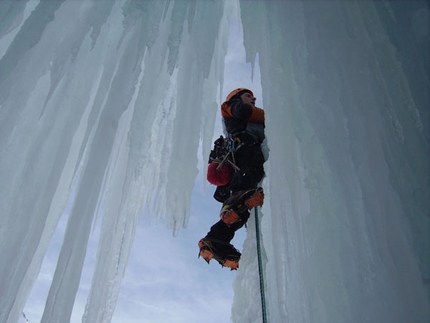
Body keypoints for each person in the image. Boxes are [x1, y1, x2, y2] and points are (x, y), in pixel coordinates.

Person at [198, 88, 266, 270]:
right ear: (236, 98)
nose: (253, 99)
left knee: (243, 206)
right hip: (245, 148)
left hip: (243, 152)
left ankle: (217, 239)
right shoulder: (230, 106)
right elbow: (243, 112)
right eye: (248, 96)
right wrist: (271, 117)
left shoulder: (241, 111)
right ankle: (233, 205)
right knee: (251, 176)